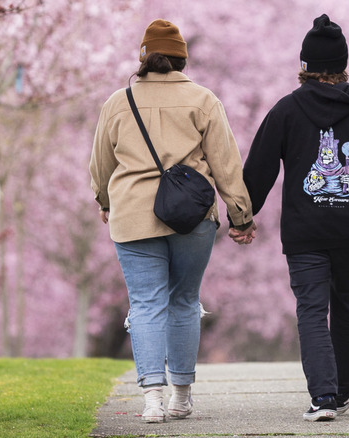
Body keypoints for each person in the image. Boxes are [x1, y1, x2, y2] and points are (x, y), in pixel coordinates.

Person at [231, 14, 349, 421]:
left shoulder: (286, 111)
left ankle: (324, 399)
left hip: (304, 231)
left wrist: (243, 217)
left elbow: (259, 169)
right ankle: (345, 389)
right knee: (347, 307)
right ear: (343, 64)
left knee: (312, 311)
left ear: (305, 65)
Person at [89, 19, 256, 423]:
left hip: (132, 216)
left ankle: (151, 401)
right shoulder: (203, 100)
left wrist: (105, 200)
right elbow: (226, 165)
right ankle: (181, 396)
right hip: (191, 216)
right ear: (182, 58)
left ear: (143, 58)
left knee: (145, 304)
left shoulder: (118, 102)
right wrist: (241, 216)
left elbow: (100, 164)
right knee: (184, 301)